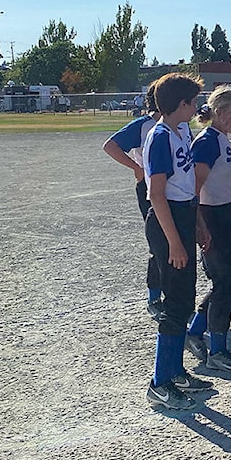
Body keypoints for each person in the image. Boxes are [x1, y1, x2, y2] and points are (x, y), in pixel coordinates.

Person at [143, 73, 213, 410]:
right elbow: (156, 195)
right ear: (181, 104)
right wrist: (174, 242)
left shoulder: (179, 131)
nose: (197, 106)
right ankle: (160, 382)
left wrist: (197, 223)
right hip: (166, 220)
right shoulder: (159, 137)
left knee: (184, 299)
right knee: (176, 302)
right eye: (193, 101)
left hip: (183, 215)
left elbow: (187, 185)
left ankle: (176, 371)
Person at [189, 87, 231, 373]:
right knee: (227, 283)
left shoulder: (225, 140)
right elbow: (195, 188)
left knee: (230, 281)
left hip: (229, 216)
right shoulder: (207, 142)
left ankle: (196, 330)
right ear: (220, 112)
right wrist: (200, 225)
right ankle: (217, 349)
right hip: (215, 216)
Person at [102, 83, 165, 320]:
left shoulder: (179, 124)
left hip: (175, 191)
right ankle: (154, 297)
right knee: (158, 243)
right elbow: (111, 145)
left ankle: (172, 293)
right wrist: (136, 167)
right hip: (149, 190)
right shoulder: (144, 125)